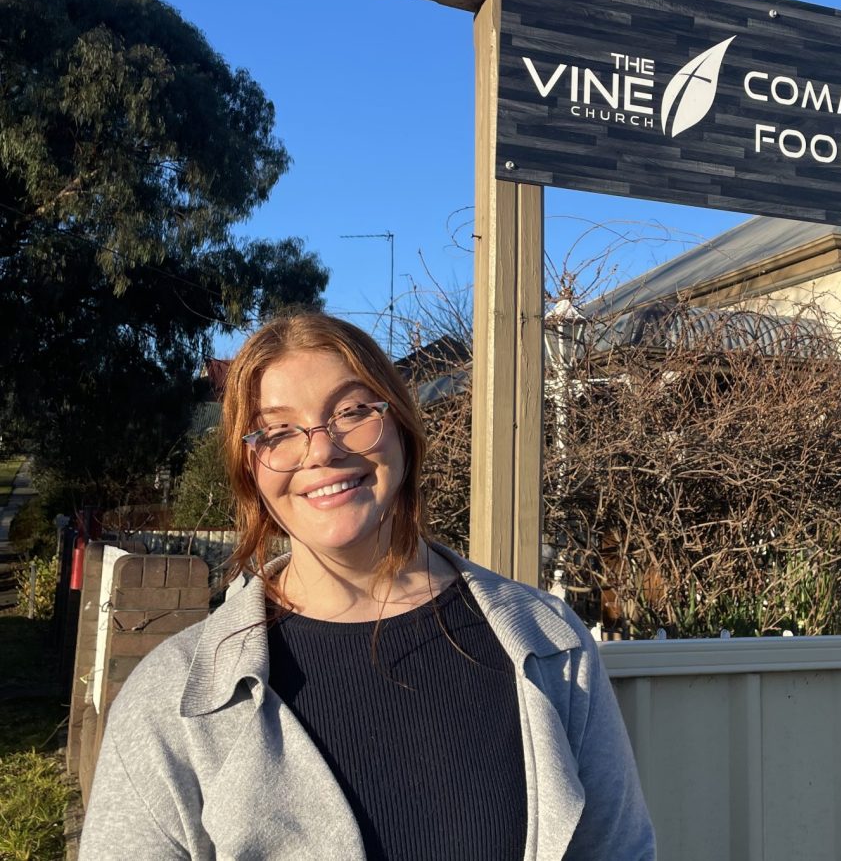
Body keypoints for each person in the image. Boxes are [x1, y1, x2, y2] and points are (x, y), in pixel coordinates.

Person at [80, 312, 655, 861]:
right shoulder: (176, 698)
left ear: (401, 428)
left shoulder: (549, 643)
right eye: (278, 431)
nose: (322, 450)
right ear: (250, 467)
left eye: (352, 411)